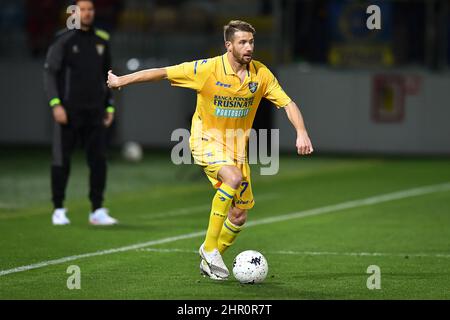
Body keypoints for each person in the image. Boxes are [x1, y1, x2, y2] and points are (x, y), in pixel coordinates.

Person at [107, 20, 313, 279]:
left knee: (239, 216)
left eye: (251, 42)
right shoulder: (206, 69)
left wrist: (301, 131)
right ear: (229, 45)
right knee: (233, 178)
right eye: (242, 42)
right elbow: (162, 72)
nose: (249, 47)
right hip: (205, 141)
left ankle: (209, 260)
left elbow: (288, 103)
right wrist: (121, 80)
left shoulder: (260, 74)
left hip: (237, 150)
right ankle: (210, 248)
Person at [44, 0, 118, 226]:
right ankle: (58, 208)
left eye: (90, 9)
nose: (86, 13)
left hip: (95, 112)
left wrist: (109, 106)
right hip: (68, 112)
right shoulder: (63, 39)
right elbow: (49, 74)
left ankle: (97, 210)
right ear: (74, 13)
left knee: (98, 161)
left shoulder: (102, 40)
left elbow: (110, 77)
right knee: (61, 160)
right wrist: (56, 104)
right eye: (82, 10)